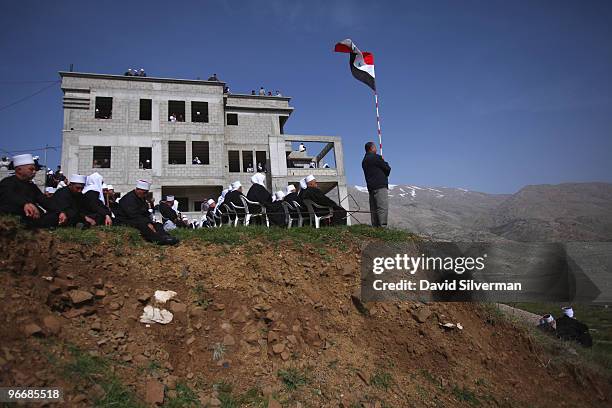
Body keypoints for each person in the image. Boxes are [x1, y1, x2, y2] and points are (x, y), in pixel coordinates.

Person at [0, 154, 61, 228]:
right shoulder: (7, 182)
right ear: (19, 170)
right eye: (31, 169)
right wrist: (25, 203)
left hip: (32, 218)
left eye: (35, 169)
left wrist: (61, 211)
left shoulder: (31, 186)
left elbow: (45, 201)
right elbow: (10, 196)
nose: (34, 172)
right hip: (15, 215)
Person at [113, 180, 178, 245]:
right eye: (145, 193)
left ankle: (165, 236)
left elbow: (145, 212)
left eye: (146, 193)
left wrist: (149, 222)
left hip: (139, 219)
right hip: (126, 220)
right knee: (144, 226)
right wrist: (147, 223)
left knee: (158, 225)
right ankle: (158, 240)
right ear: (138, 190)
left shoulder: (141, 198)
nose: (146, 195)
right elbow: (133, 215)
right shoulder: (128, 199)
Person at [362, 141, 391, 228]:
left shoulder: (364, 161)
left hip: (371, 187)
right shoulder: (376, 158)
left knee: (374, 209)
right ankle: (382, 227)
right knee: (382, 207)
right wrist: (383, 160)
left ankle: (375, 227)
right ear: (372, 148)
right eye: (375, 147)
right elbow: (387, 169)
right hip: (380, 186)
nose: (376, 149)